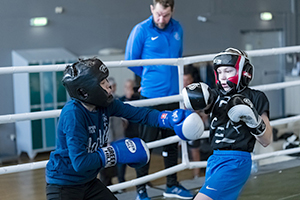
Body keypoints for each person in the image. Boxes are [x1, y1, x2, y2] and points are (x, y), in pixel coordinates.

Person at [45, 57, 203, 200]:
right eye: (102, 82)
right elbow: (80, 162)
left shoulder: (106, 104)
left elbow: (139, 114)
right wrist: (114, 153)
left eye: (106, 79)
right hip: (64, 185)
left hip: (88, 182)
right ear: (85, 91)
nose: (108, 85)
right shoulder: (73, 114)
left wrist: (167, 118)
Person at [182, 48, 273, 200]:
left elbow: (267, 140)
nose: (223, 77)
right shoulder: (214, 95)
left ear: (244, 72)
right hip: (214, 159)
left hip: (236, 161)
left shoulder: (257, 97)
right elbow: (194, 107)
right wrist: (194, 102)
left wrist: (253, 119)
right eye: (220, 72)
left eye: (229, 71)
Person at [124, 1, 192, 199]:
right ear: (152, 8)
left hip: (173, 96)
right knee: (145, 145)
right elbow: (131, 61)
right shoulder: (141, 30)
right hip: (151, 98)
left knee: (171, 143)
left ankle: (172, 185)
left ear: (172, 11)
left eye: (167, 15)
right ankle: (141, 191)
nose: (162, 19)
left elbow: (177, 59)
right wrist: (151, 76)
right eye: (159, 14)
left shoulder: (177, 28)